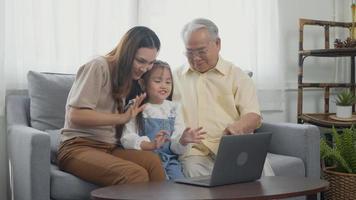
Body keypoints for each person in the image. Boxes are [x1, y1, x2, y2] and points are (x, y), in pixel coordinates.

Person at [57, 26, 167, 186]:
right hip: (77, 147)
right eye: (140, 61)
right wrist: (121, 117)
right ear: (127, 53)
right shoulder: (98, 66)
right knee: (135, 174)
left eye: (151, 63)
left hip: (110, 147)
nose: (145, 68)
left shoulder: (128, 76)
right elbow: (75, 116)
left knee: (153, 162)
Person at [173, 18, 274, 177]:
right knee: (192, 170)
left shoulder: (237, 76)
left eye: (201, 51)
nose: (196, 58)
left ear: (218, 44)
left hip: (232, 147)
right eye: (189, 52)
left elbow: (253, 116)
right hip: (195, 152)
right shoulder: (173, 78)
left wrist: (238, 127)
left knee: (262, 172)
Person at [121, 60, 206, 180]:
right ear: (142, 83)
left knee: (180, 186)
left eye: (168, 82)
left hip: (169, 161)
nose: (164, 86)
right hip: (146, 161)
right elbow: (127, 138)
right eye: (157, 81)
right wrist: (150, 145)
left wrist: (183, 141)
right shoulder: (136, 106)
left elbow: (175, 147)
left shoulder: (174, 108)